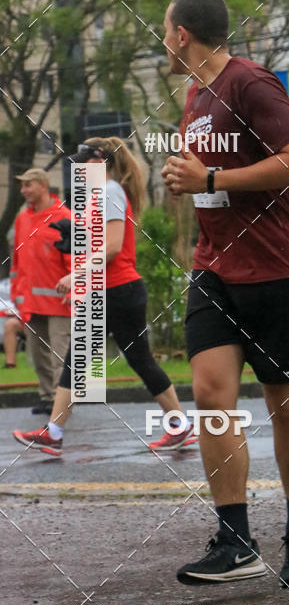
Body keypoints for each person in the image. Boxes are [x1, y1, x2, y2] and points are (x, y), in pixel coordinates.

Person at [161, 0, 289, 589]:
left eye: (164, 31)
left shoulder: (249, 82)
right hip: (215, 269)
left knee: (285, 402)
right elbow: (209, 182)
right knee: (209, 394)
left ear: (182, 35)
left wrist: (211, 175)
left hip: (278, 267)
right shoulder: (195, 96)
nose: (163, 41)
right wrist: (191, 182)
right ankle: (235, 540)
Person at [12, 137, 197, 458]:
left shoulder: (111, 192)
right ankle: (54, 433)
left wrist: (76, 275)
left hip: (118, 291)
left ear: (99, 163)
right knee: (87, 361)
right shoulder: (100, 194)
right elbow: (98, 244)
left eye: (83, 163)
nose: (79, 169)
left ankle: (179, 427)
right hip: (107, 291)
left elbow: (112, 247)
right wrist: (74, 244)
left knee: (121, 361)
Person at [10, 168, 71, 414]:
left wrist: (75, 290)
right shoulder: (22, 219)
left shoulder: (64, 217)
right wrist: (17, 293)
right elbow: (16, 261)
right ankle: (47, 397)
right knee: (37, 354)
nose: (23, 190)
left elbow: (74, 258)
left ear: (43, 186)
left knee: (60, 356)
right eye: (23, 185)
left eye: (28, 185)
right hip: (32, 303)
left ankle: (61, 403)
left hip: (60, 303)